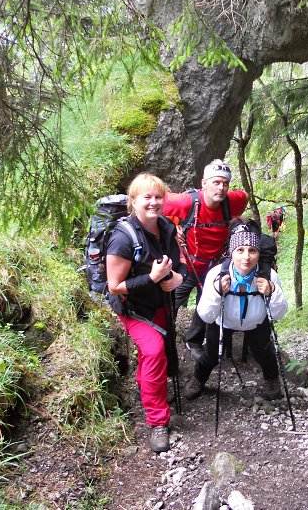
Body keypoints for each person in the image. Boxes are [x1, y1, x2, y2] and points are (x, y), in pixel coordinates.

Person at [106, 173, 185, 453]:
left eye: (158, 197)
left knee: (157, 353)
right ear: (133, 201)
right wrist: (152, 278)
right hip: (134, 308)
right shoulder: (122, 239)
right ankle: (157, 421)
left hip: (160, 302)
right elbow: (114, 286)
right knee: (153, 352)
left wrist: (176, 277)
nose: (153, 202)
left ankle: (148, 392)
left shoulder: (165, 227)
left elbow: (177, 263)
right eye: (146, 197)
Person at [183, 221, 288, 401]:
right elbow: (206, 315)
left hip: (256, 321)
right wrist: (217, 292)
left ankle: (272, 381)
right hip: (223, 321)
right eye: (240, 250)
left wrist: (272, 291)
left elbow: (279, 314)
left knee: (264, 352)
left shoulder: (269, 275)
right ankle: (198, 380)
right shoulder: (217, 274)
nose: (246, 257)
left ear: (258, 252)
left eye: (252, 250)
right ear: (231, 252)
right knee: (211, 354)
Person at [163, 160, 248, 361]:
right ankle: (165, 343)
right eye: (216, 182)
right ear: (204, 183)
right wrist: (172, 228)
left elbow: (244, 197)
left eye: (225, 183)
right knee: (172, 303)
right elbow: (156, 205)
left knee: (207, 304)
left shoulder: (233, 201)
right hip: (186, 265)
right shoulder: (184, 202)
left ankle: (194, 341)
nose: (221, 187)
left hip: (213, 266)